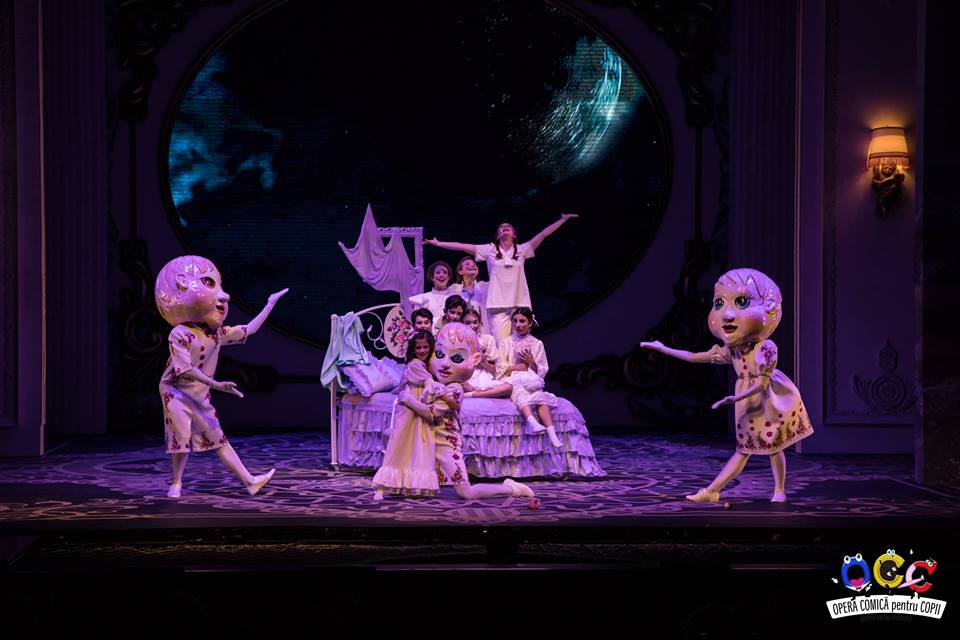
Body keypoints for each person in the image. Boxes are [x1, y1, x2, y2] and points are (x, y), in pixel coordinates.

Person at [640, 268, 814, 503]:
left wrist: (735, 398)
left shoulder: (765, 349)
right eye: (719, 303)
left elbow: (762, 385)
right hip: (746, 401)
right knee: (745, 450)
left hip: (768, 400)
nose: (728, 314)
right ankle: (714, 491)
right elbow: (695, 357)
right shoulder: (733, 350)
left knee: (773, 447)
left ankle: (777, 490)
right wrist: (665, 349)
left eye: (741, 302)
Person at [154, 255, 288, 498]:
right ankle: (176, 483)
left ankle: (250, 481)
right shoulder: (179, 334)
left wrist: (269, 305)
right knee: (181, 436)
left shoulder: (216, 334)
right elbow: (185, 369)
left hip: (199, 393)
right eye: (209, 283)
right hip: (176, 390)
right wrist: (216, 384)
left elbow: (249, 330)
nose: (225, 296)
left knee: (218, 437)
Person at [425, 214, 578, 343]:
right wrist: (438, 243)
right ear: (498, 235)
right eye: (501, 227)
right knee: (501, 345)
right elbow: (462, 246)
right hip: (498, 305)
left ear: (514, 235)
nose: (504, 227)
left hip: (519, 304)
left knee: (520, 346)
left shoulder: (523, 249)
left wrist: (562, 220)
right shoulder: (490, 250)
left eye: (508, 226)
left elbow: (543, 234)